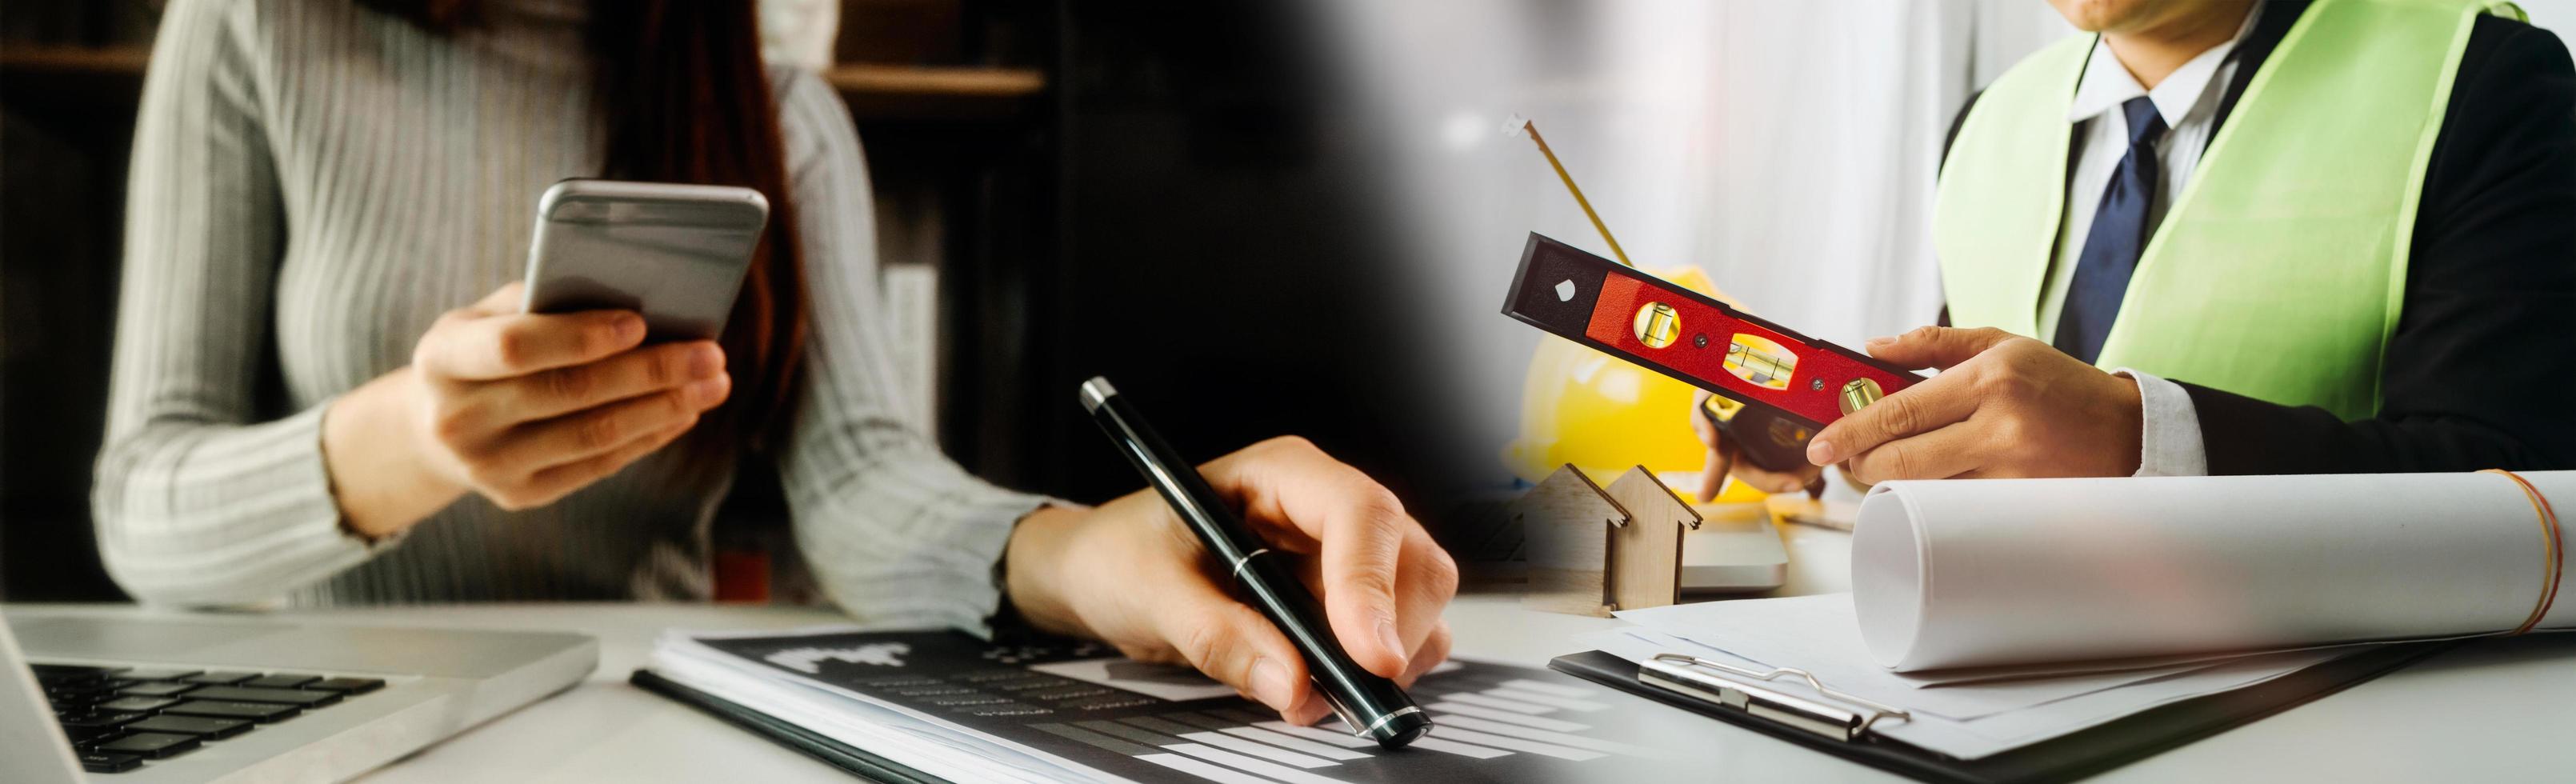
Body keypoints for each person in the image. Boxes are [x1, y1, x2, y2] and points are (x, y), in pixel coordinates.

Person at [91, 0, 1454, 726]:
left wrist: (1083, 551)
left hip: (626, 712)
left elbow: (858, 480)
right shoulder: (255, 27)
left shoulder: (778, 108)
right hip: (323, 725)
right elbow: (140, 505)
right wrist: (411, 441)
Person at [1696, 0, 2576, 497]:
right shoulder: (1987, 124)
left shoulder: (2485, 82)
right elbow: (1989, 430)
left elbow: (2519, 488)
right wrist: (1826, 445)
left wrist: (2140, 435)